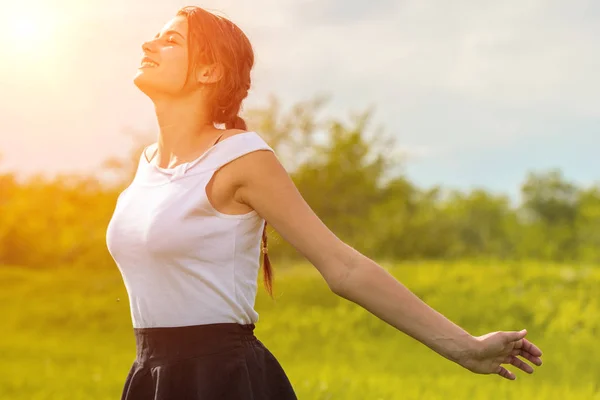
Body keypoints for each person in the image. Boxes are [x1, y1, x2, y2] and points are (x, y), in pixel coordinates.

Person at [105, 5, 543, 400]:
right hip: (152, 378)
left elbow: (343, 266)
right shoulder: (146, 166)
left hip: (225, 381)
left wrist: (466, 347)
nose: (149, 43)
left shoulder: (241, 158)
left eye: (171, 39)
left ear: (208, 71)